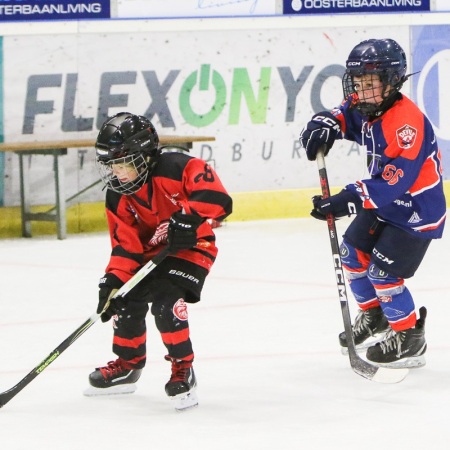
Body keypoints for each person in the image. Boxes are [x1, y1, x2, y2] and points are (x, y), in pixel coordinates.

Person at [299, 38, 446, 368]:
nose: (362, 92)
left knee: (382, 273)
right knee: (352, 254)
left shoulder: (406, 125)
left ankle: (410, 339)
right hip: (384, 203)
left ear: (393, 82)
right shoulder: (369, 103)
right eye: (359, 83)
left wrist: (348, 199)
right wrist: (324, 124)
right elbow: (343, 114)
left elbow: (394, 181)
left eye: (371, 84)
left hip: (416, 212)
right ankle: (375, 316)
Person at [84, 112, 232, 409]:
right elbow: (126, 247)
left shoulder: (178, 167)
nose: (117, 172)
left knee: (166, 302)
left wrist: (188, 220)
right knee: (124, 298)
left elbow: (220, 200)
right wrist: (112, 280)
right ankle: (128, 364)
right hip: (154, 254)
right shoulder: (118, 194)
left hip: (193, 247)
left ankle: (182, 367)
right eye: (112, 164)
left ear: (145, 155)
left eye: (123, 162)